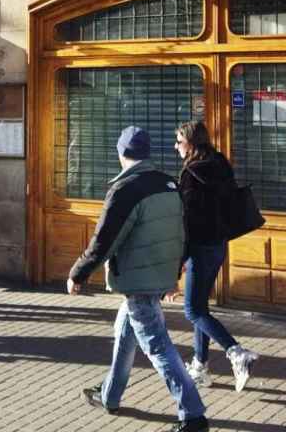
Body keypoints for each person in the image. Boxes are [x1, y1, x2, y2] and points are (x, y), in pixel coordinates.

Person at [69, 126, 210, 432]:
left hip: (138, 280)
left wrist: (78, 273)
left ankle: (193, 415)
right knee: (124, 332)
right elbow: (181, 233)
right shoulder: (168, 183)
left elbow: (104, 239)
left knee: (159, 348)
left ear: (121, 153)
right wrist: (173, 273)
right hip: (156, 275)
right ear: (147, 153)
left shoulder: (126, 189)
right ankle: (110, 395)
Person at [173, 120, 259, 392]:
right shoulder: (220, 164)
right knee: (201, 307)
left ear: (191, 143)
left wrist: (177, 263)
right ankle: (200, 366)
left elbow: (185, 221)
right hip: (218, 245)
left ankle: (236, 352)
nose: (176, 146)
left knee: (192, 310)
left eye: (179, 141)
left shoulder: (191, 174)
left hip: (199, 247)